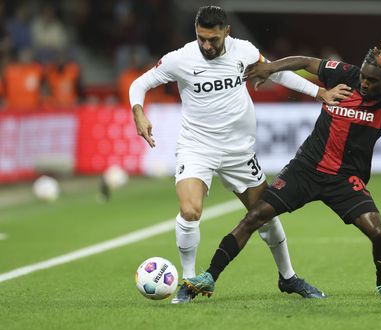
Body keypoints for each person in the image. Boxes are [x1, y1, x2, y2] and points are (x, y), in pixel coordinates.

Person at [129, 5, 341, 304]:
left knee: (265, 214)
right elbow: (141, 83)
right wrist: (138, 111)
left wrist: (319, 93)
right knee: (190, 211)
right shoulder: (181, 59)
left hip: (239, 152)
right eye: (201, 38)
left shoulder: (244, 51)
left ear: (226, 32)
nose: (206, 45)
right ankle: (189, 283)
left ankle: (289, 278)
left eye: (212, 39)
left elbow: (276, 74)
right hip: (197, 146)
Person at [185, 35, 381, 300]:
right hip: (306, 169)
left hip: (345, 179)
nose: (364, 82)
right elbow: (306, 61)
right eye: (364, 76)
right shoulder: (347, 75)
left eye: (372, 80)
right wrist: (271, 68)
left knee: (379, 234)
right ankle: (210, 276)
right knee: (255, 217)